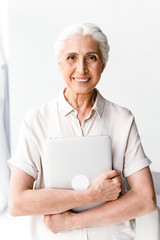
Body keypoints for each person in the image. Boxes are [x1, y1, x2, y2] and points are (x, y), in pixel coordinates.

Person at [8, 23, 156, 240]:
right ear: (59, 63)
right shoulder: (35, 121)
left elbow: (146, 199)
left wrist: (73, 221)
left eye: (92, 57)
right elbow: (17, 203)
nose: (81, 69)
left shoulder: (122, 119)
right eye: (71, 57)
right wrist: (92, 195)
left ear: (103, 64)